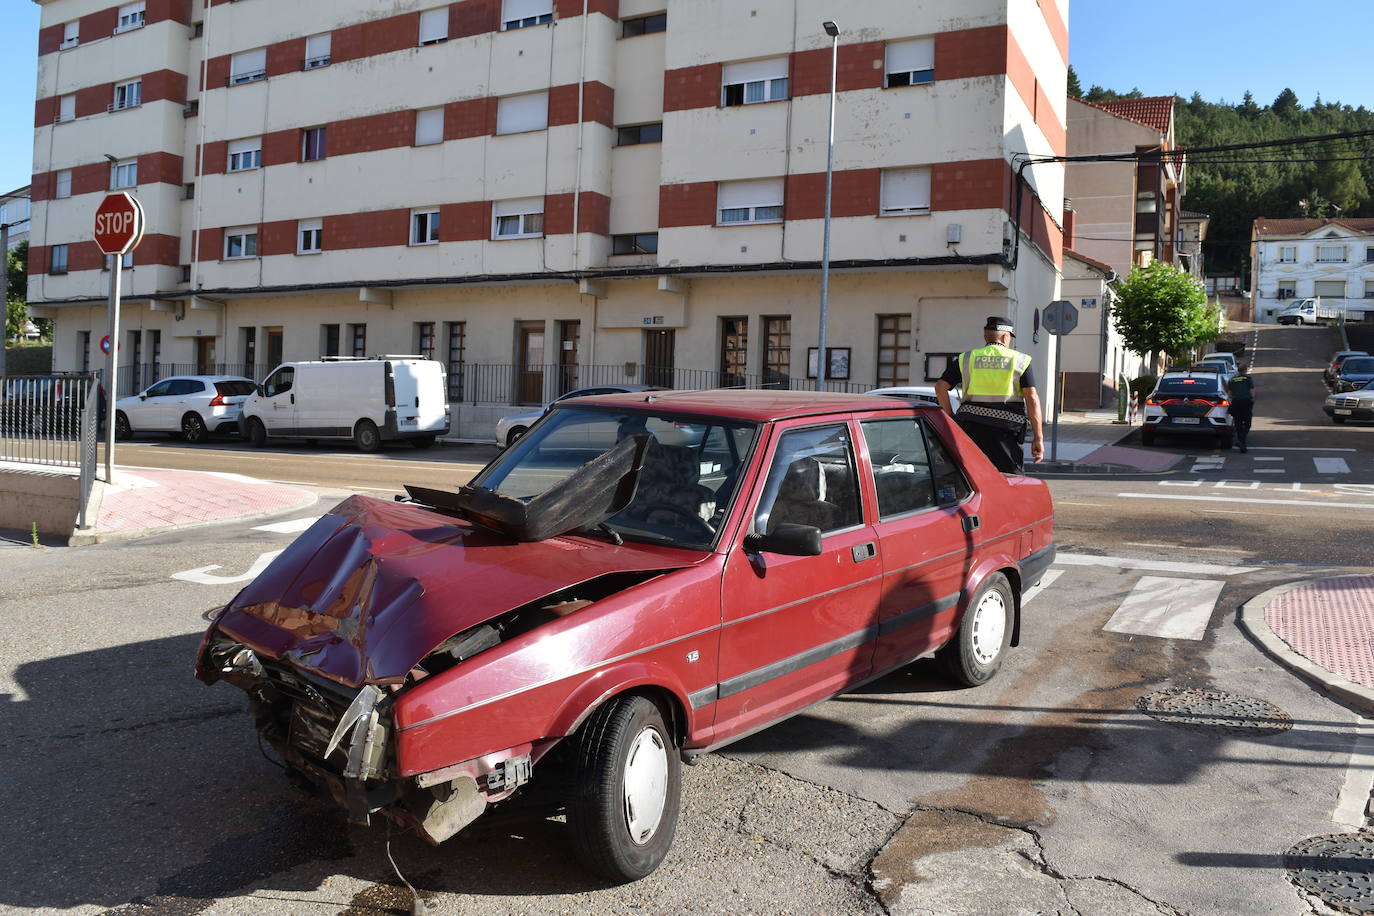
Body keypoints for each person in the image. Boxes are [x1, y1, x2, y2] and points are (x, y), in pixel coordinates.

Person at [935, 316, 1044, 473]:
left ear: (985, 337)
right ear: (1005, 337)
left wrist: (950, 417)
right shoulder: (1020, 360)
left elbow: (940, 387)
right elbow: (1032, 399)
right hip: (1005, 433)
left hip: (969, 429)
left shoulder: (966, 359)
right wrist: (1038, 437)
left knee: (972, 478)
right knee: (1009, 480)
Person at [1228, 362, 1256, 452]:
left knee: (1238, 423)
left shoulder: (1232, 380)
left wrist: (1235, 397)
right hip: (1245, 402)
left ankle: (1242, 443)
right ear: (1245, 370)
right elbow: (1252, 391)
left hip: (1235, 403)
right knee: (1247, 423)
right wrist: (1252, 399)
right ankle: (1241, 441)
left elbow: (1229, 394)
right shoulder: (1248, 379)